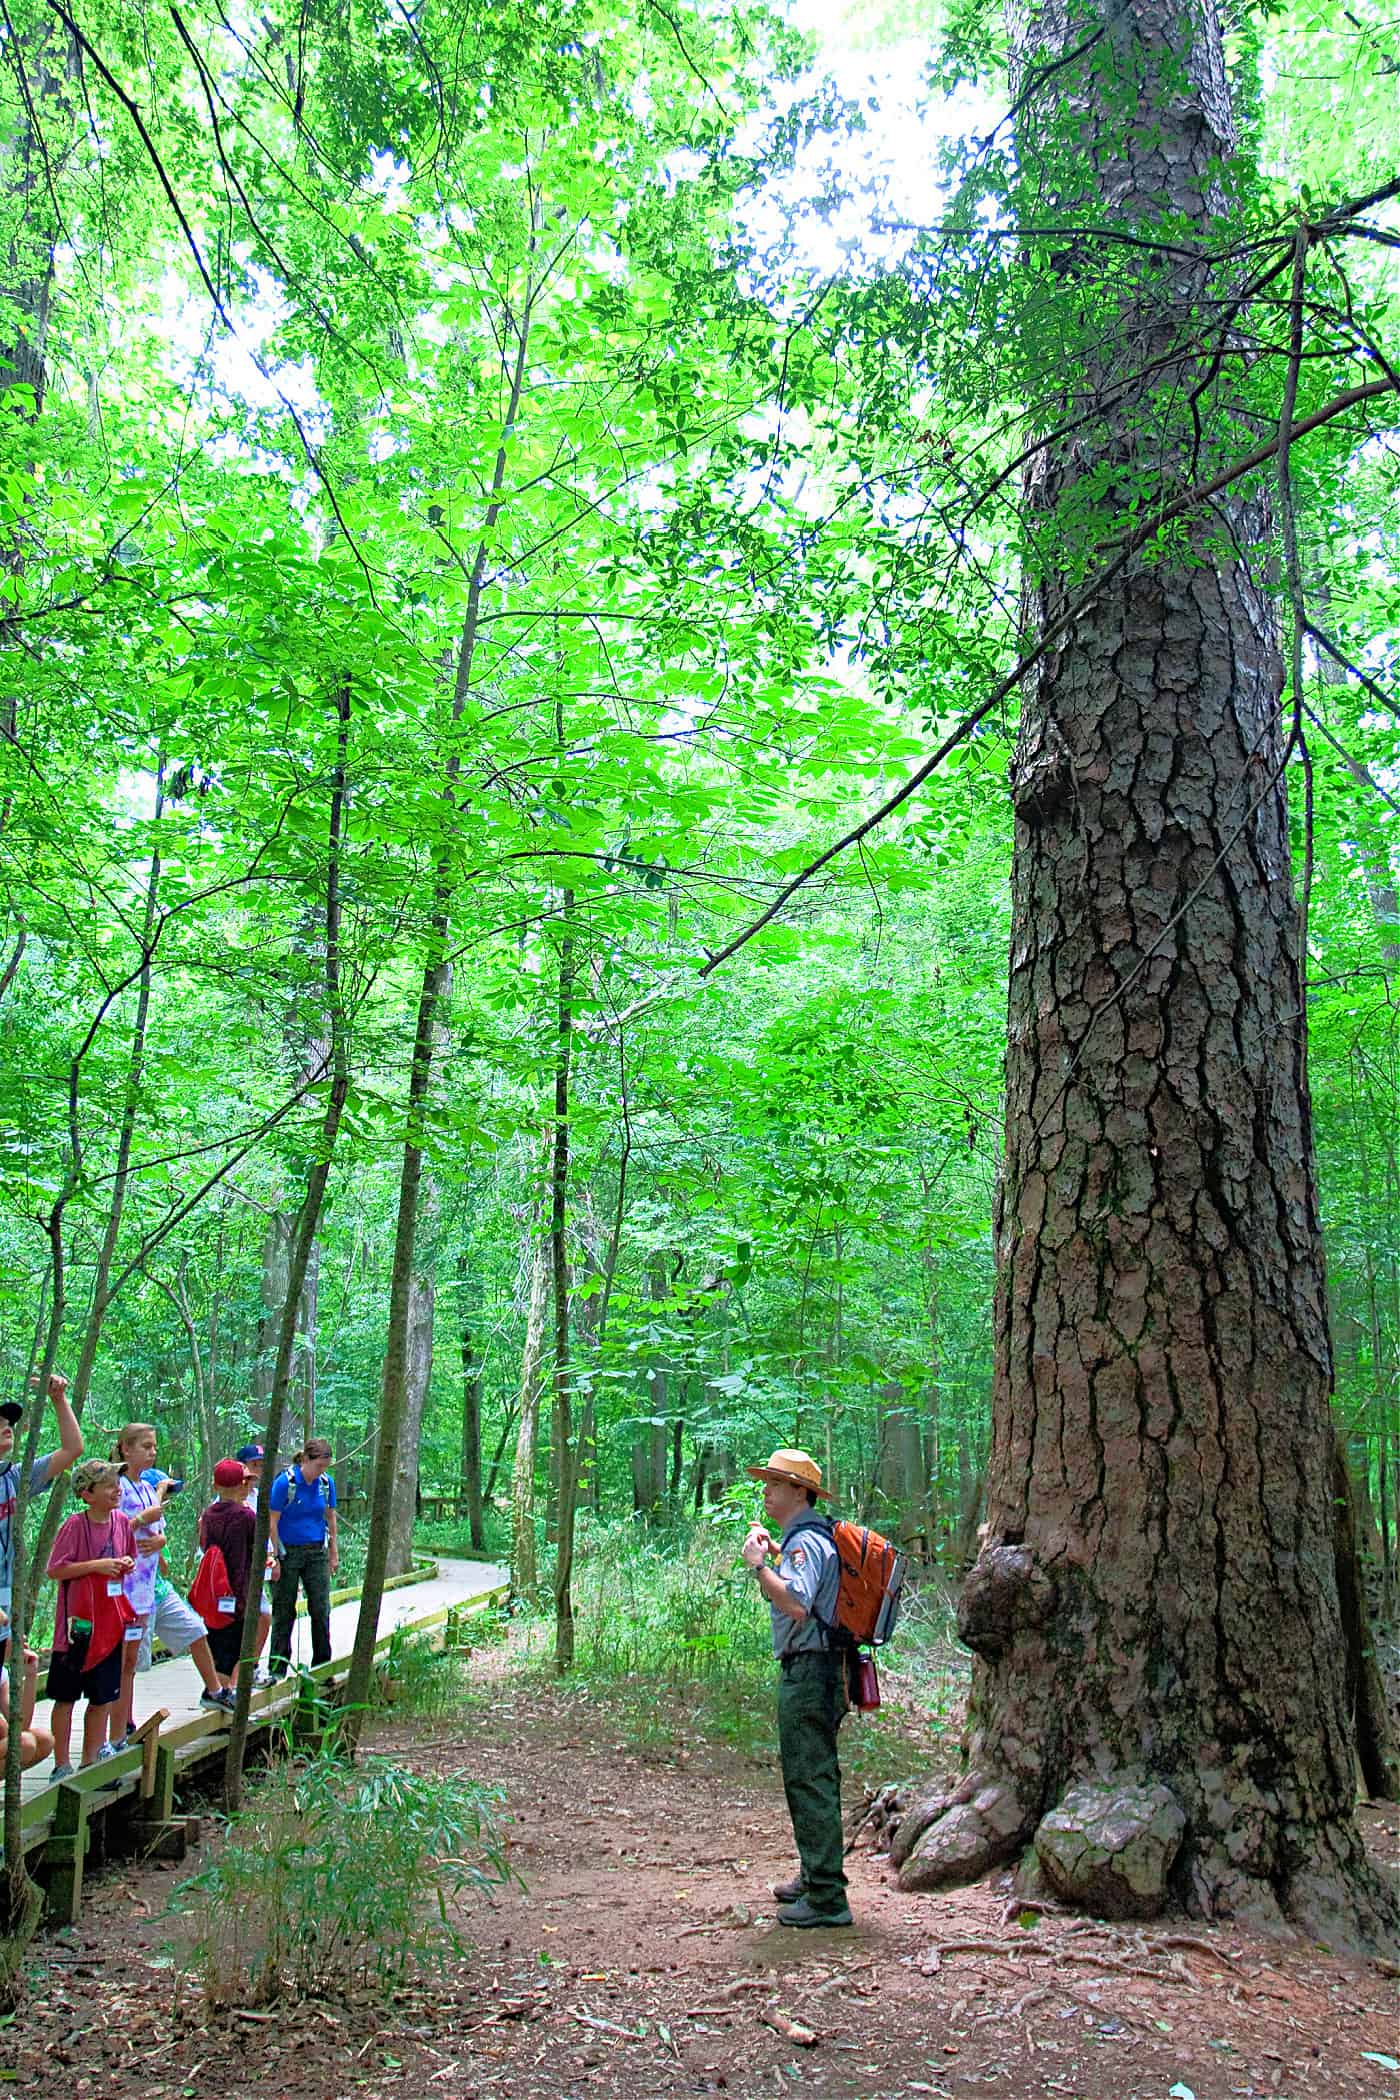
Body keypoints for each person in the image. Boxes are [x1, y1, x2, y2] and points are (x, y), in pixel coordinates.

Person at [741, 1447, 852, 1929]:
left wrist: (757, 1567)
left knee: (810, 1777)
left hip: (812, 1670)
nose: (766, 1490)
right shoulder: (804, 1539)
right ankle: (815, 1876)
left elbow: (797, 1604)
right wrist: (772, 1556)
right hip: (820, 1669)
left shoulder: (807, 1542)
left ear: (799, 1492)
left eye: (775, 1483)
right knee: (811, 1774)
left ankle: (828, 1897)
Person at [113, 1424, 235, 1721]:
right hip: (128, 1590)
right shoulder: (115, 1486)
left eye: (154, 1446)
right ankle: (124, 1723)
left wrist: (160, 1540)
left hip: (155, 1587)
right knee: (129, 1663)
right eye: (146, 1446)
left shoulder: (144, 1488)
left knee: (195, 1628)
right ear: (126, 1449)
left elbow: (155, 1531)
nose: (152, 1452)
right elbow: (109, 1531)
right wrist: (142, 1519)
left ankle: (215, 1691)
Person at [45, 1459, 137, 1776]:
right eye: (109, 1484)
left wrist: (124, 1563)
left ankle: (91, 1761)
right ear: (87, 1494)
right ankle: (61, 1764)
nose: (117, 1490)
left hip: (110, 1625)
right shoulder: (74, 1525)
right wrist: (95, 1566)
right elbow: (55, 1569)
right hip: (78, 1627)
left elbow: (131, 1559)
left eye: (117, 1483)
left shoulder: (123, 1522)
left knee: (101, 1699)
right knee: (66, 1697)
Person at [0, 1370, 84, 1637]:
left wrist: (58, 1399)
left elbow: (72, 1449)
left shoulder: (13, 1477)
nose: (7, 1427)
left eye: (9, 1422)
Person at [267, 1437, 338, 1676]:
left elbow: (330, 1517)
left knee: (320, 1607)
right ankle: (277, 1668)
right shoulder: (285, 1483)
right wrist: (274, 1557)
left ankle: (322, 1664)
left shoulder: (326, 1484)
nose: (321, 1471)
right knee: (284, 1610)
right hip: (288, 1553)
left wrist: (333, 1553)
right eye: (318, 1466)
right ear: (306, 1460)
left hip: (317, 1550)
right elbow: (272, 1522)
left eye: (325, 1467)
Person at [196, 1460, 257, 1689]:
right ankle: (223, 1694)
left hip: (213, 1592)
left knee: (218, 1643)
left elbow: (204, 1546)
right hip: (238, 1592)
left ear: (215, 1485)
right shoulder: (246, 1516)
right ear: (242, 1484)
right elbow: (257, 1549)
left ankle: (220, 1691)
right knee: (235, 1648)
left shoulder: (208, 1515)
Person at [0, 1643, 54, 1770]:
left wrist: (31, 1676)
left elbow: (21, 1725)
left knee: (44, 1740)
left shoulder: (2, 1673)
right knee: (23, 1742)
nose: (23, 1638)